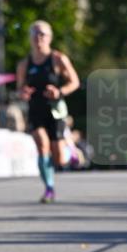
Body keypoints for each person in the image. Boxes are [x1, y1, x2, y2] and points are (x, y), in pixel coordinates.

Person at [16, 20, 80, 202]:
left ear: (50, 38)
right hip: (35, 109)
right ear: (30, 38)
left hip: (55, 110)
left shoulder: (58, 59)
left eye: (42, 34)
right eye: (35, 34)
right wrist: (23, 92)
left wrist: (59, 91)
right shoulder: (24, 64)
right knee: (42, 145)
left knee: (60, 159)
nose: (39, 38)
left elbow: (74, 82)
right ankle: (49, 188)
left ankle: (71, 152)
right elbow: (20, 88)